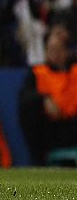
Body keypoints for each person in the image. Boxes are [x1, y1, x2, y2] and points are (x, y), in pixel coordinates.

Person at [18, 24, 77, 165]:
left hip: (74, 126)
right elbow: (24, 98)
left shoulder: (74, 70)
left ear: (67, 51)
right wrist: (44, 97)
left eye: (60, 49)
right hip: (51, 130)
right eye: (51, 50)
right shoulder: (37, 73)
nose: (56, 54)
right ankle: (38, 161)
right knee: (28, 106)